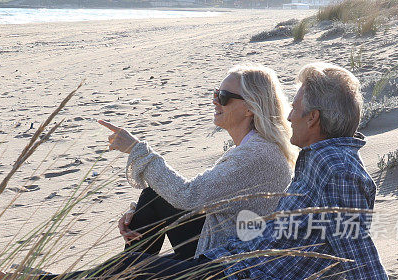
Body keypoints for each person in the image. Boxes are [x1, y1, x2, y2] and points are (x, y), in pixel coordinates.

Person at [0, 62, 398, 280]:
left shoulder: (337, 170)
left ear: (313, 118)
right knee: (143, 275)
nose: (289, 115)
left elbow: (356, 247)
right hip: (248, 273)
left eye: (295, 109)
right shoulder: (322, 159)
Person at [109, 64, 296, 260]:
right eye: (215, 94)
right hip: (223, 241)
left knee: (133, 265)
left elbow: (189, 195)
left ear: (250, 107)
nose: (215, 102)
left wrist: (137, 150)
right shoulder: (254, 148)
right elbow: (203, 194)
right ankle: (125, 279)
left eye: (223, 97)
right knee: (153, 196)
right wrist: (137, 211)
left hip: (227, 263)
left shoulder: (256, 155)